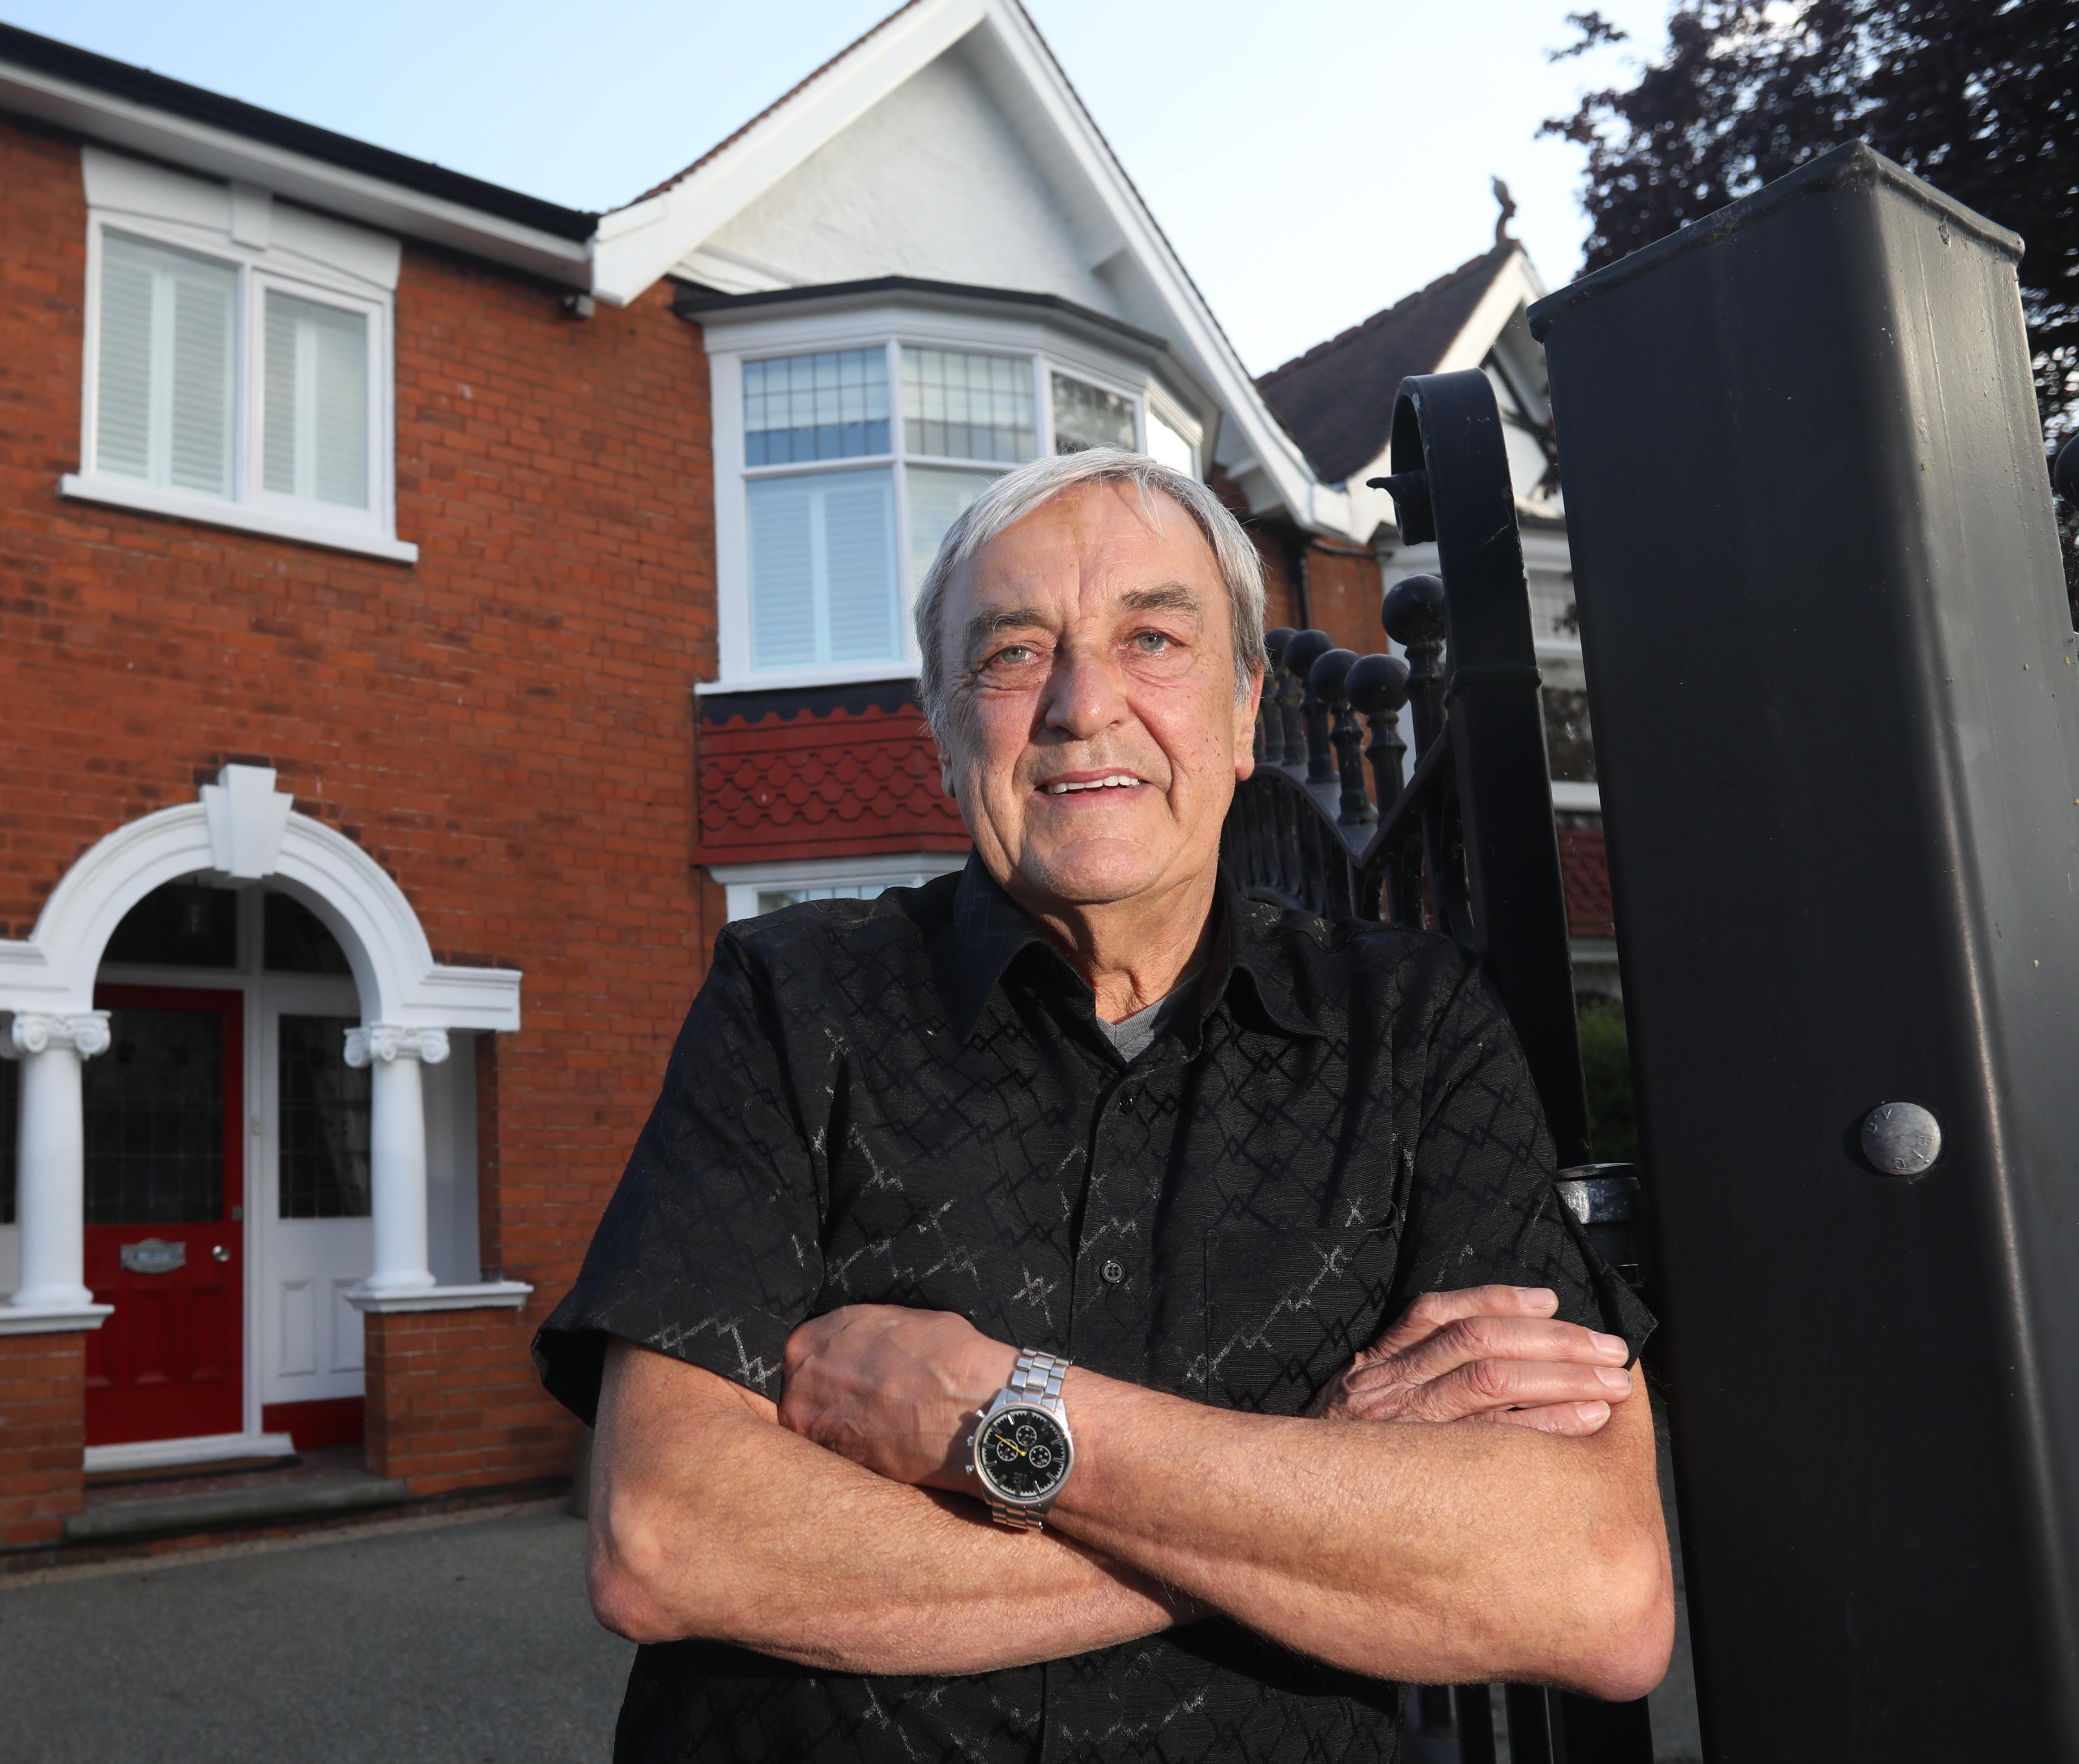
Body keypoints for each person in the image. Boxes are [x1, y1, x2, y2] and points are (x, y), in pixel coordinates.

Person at [533, 448, 1670, 1763]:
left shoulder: (1411, 1029)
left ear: (1247, 710)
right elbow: (667, 1537)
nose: (1083, 705)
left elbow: (1590, 1585)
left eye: (1153, 639)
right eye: (1013, 655)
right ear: (945, 723)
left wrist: (1002, 1417)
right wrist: (1312, 1494)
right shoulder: (794, 999)